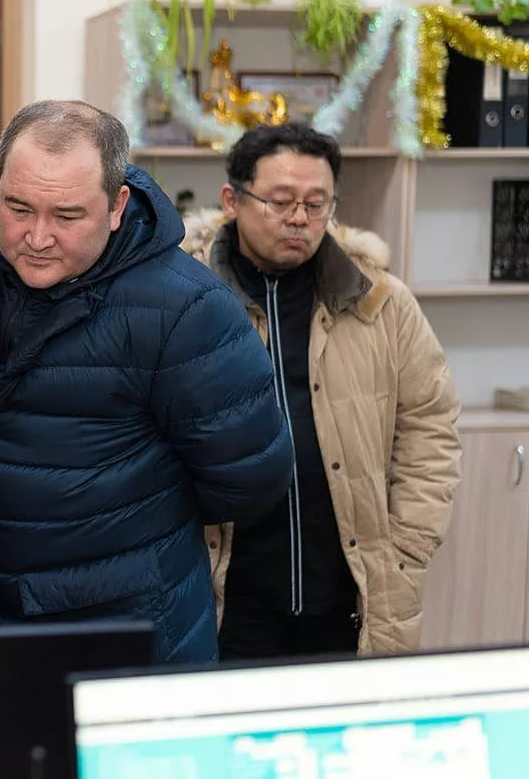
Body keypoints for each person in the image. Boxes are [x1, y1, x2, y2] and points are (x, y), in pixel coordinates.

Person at [0, 99, 294, 663]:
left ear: (117, 205)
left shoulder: (188, 309)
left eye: (67, 216)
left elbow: (251, 476)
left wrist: (123, 518)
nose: (37, 236)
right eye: (18, 207)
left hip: (118, 621)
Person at [180, 123, 461, 659]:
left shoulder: (379, 302)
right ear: (232, 201)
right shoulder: (184, 302)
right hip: (223, 592)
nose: (299, 219)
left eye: (316, 204)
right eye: (280, 201)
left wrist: (407, 546)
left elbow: (431, 425)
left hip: (351, 591)